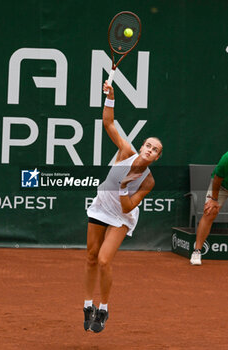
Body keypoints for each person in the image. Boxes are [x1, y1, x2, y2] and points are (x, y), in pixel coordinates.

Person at [83, 81, 163, 333]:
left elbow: (128, 207)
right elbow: (108, 123)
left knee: (105, 260)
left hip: (121, 215)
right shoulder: (125, 151)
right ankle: (88, 305)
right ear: (142, 147)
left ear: (157, 158)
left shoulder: (148, 181)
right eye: (148, 145)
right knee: (91, 257)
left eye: (155, 150)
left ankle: (103, 309)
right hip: (101, 207)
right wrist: (111, 96)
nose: (150, 150)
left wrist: (122, 187)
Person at [190, 151, 228, 265]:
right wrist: (214, 200)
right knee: (210, 211)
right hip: (221, 186)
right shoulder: (226, 158)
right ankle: (197, 252)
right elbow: (217, 178)